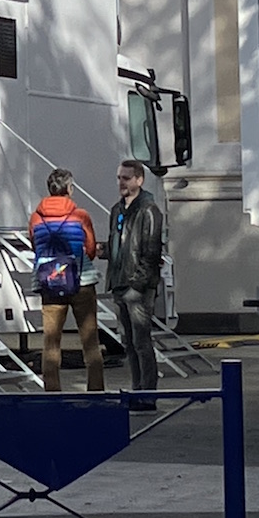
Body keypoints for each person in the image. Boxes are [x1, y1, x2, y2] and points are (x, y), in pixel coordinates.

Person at [29, 168, 104, 394]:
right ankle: (96, 392)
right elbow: (90, 249)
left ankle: (52, 394)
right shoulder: (80, 216)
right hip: (81, 282)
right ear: (69, 189)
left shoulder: (36, 217)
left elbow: (36, 246)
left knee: (51, 343)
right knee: (90, 341)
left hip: (50, 284)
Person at [108, 159, 165, 409]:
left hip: (138, 287)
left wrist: (138, 285)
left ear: (139, 180)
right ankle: (136, 390)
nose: (121, 182)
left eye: (126, 178)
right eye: (119, 177)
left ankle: (148, 395)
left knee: (142, 343)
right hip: (120, 283)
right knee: (128, 343)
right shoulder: (117, 210)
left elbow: (151, 253)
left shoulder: (149, 210)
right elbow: (119, 247)